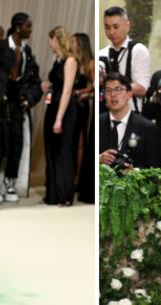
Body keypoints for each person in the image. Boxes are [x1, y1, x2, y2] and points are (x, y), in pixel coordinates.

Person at [0, 12, 41, 202]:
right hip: (1, 103)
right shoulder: (0, 47)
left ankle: (11, 182)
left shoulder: (27, 52)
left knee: (16, 144)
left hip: (18, 105)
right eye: (28, 26)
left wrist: (29, 99)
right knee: (0, 144)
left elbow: (35, 81)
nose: (30, 30)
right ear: (18, 27)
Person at [42, 25, 78, 206]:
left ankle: (65, 195)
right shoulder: (57, 59)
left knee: (63, 152)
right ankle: (52, 194)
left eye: (51, 39)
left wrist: (59, 118)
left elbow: (67, 91)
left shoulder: (70, 61)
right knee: (51, 149)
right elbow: (56, 85)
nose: (49, 43)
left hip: (64, 109)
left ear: (56, 39)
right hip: (52, 105)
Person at [98, 70, 161, 170]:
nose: (113, 94)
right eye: (108, 90)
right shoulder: (98, 123)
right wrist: (99, 159)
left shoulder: (147, 128)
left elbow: (155, 168)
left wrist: (134, 173)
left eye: (118, 89)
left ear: (129, 94)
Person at [98, 5, 150, 113]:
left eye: (116, 27)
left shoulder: (138, 50)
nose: (111, 32)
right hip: (105, 114)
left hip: (131, 115)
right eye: (107, 27)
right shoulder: (102, 53)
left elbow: (142, 88)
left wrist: (111, 86)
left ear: (127, 26)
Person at [71, 32, 95, 204]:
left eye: (73, 41)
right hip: (72, 105)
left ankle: (78, 178)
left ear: (80, 44)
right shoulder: (72, 61)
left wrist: (81, 92)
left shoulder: (90, 63)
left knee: (80, 142)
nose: (71, 44)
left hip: (81, 105)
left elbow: (94, 86)